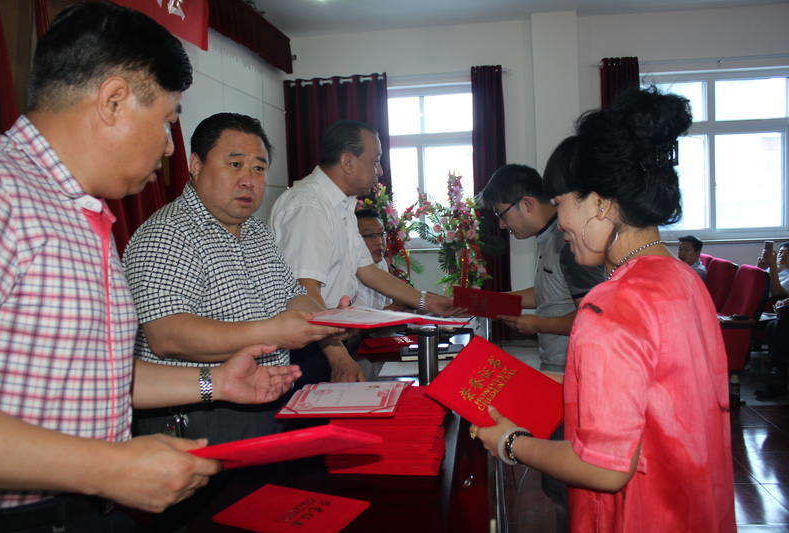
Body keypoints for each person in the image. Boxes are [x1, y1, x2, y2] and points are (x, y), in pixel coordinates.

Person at [0, 4, 300, 532]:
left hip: (93, 508)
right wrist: (109, 467)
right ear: (113, 100)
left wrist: (216, 383)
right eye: (166, 122)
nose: (168, 146)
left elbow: (95, 376)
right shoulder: (2, 194)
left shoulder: (78, 212)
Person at [471, 87, 735, 532]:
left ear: (600, 202)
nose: (562, 223)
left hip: (639, 515)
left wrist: (510, 442)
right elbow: (653, 392)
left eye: (562, 204)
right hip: (691, 505)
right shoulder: (683, 278)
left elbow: (604, 468)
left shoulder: (610, 303)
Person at [123, 112, 364, 446]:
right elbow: (166, 335)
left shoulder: (255, 232)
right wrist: (272, 331)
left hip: (267, 398)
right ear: (196, 165)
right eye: (235, 164)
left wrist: (328, 321)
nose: (249, 180)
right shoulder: (167, 234)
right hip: (199, 411)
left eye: (259, 168)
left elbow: (292, 295)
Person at [477, 157, 606, 533]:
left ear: (527, 203)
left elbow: (594, 318)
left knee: (565, 480)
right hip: (554, 369)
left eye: (502, 215)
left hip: (572, 375)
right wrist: (492, 302)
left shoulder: (570, 244)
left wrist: (538, 324)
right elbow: (548, 293)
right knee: (556, 480)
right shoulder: (547, 239)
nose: (502, 225)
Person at [269, 120, 458, 316]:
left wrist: (426, 302)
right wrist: (333, 336)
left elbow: (368, 270)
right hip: (318, 327)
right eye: (375, 161)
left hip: (335, 324)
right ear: (348, 162)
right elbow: (306, 290)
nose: (380, 171)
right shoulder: (309, 206)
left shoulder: (342, 204)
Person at [354, 209, 393, 310]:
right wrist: (399, 307)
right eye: (370, 236)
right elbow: (359, 317)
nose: (379, 242)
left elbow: (387, 306)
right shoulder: (350, 270)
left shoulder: (381, 263)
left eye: (381, 234)